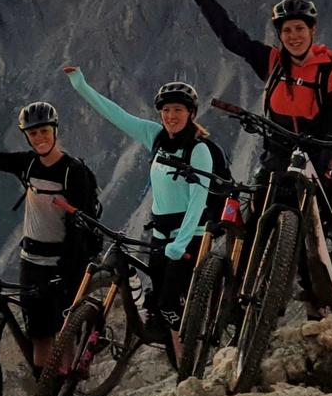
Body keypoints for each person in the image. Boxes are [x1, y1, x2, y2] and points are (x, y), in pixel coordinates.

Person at [177, 0, 332, 310]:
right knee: (254, 217)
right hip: (277, 155)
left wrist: (329, 162)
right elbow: (231, 36)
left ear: (312, 31)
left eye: (300, 29)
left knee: (312, 232)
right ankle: (241, 293)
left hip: (317, 159)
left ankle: (321, 296)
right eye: (286, 31)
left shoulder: (330, 75)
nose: (293, 36)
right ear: (279, 35)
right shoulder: (272, 63)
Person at [62, 66, 218, 362]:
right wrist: (80, 84)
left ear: (191, 113)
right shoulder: (155, 136)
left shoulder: (199, 151)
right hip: (159, 236)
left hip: (187, 237)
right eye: (167, 110)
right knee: (158, 306)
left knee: (170, 306)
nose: (172, 116)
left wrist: (181, 244)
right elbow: (116, 114)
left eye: (179, 110)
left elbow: (199, 201)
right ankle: (179, 362)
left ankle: (191, 365)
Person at [0, 86, 101, 369]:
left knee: (63, 334)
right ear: (27, 137)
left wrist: (69, 270)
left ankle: (62, 395)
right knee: (39, 335)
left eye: (44, 131)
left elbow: (80, 225)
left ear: (55, 131)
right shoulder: (28, 164)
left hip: (62, 262)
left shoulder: (73, 172)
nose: (40, 138)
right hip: (30, 262)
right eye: (33, 133)